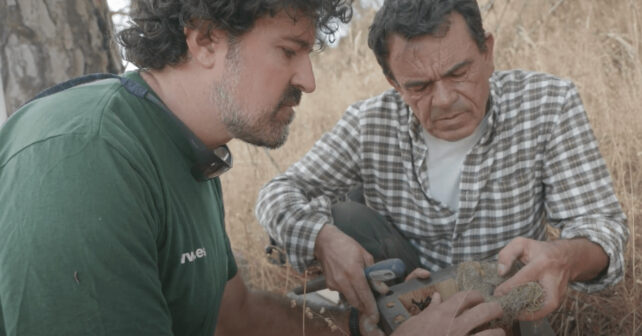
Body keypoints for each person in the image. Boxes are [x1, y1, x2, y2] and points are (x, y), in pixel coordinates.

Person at [0, 0, 508, 335]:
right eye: (289, 51)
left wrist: (367, 326)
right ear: (204, 41)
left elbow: (235, 316)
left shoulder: (188, 151)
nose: (308, 80)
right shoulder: (86, 158)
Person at [256, 0, 629, 330]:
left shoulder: (548, 106)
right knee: (338, 228)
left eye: (458, 73)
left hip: (501, 303)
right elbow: (278, 194)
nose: (446, 100)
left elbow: (600, 226)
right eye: (419, 86)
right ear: (394, 83)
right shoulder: (369, 124)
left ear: (488, 51)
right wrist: (323, 240)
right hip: (406, 299)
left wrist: (564, 257)